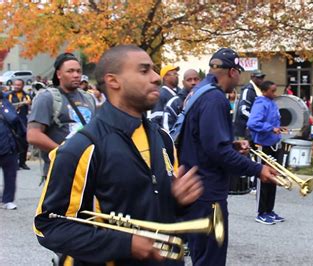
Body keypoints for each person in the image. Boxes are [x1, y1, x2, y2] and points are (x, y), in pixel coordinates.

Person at [34, 45, 203, 265]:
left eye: (153, 70)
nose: (156, 78)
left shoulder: (162, 138)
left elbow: (150, 205)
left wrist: (177, 202)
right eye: (144, 71)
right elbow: (49, 225)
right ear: (113, 81)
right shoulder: (82, 147)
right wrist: (124, 244)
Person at [178, 48, 277, 265]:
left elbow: (201, 140)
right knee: (210, 259)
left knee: (201, 256)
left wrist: (230, 144)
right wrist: (258, 169)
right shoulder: (215, 98)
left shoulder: (198, 91)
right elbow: (217, 152)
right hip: (208, 194)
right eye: (239, 72)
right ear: (232, 71)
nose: (239, 78)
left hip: (194, 189)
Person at [27, 53, 96, 184]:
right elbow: (33, 135)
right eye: (70, 71)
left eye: (78, 71)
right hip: (59, 173)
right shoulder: (47, 98)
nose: (76, 75)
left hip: (87, 171)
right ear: (59, 74)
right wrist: (65, 154)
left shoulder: (89, 98)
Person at [247, 80, 285, 225]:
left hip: (273, 144)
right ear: (264, 91)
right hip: (263, 146)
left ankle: (269, 210)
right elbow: (252, 123)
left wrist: (278, 129)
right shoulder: (260, 103)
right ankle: (261, 212)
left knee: (273, 178)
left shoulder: (271, 103)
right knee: (263, 180)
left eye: (275, 90)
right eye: (272, 91)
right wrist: (270, 128)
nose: (275, 94)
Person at [0, 92, 25, 210]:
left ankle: (8, 200)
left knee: (10, 174)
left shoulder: (5, 103)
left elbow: (15, 119)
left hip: (9, 145)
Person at [233, 69, 266, 138]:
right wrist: (257, 120)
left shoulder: (258, 91)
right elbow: (243, 110)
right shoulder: (248, 90)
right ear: (252, 77)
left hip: (252, 131)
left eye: (262, 77)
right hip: (243, 132)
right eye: (258, 77)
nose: (261, 80)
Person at [7, 79, 31, 170]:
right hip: (12, 121)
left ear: (22, 85)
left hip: (23, 121)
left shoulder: (27, 95)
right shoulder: (9, 95)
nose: (16, 86)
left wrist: (27, 102)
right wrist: (20, 104)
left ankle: (22, 162)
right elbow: (8, 105)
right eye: (15, 85)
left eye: (19, 85)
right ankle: (14, 162)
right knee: (13, 142)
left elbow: (30, 102)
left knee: (24, 142)